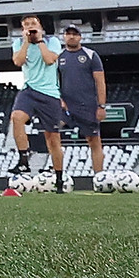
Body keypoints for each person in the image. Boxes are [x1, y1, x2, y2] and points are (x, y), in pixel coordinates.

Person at [6, 15, 69, 193]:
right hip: (29, 89)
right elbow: (18, 61)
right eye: (26, 25)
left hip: (49, 93)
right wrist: (27, 41)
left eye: (33, 24)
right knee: (17, 118)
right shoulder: (18, 43)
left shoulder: (52, 41)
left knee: (52, 138)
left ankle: (58, 177)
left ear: (40, 26)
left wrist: (39, 40)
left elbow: (50, 60)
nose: (30, 27)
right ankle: (23, 159)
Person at [54, 24, 107, 185]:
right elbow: (54, 81)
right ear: (63, 36)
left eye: (74, 34)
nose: (71, 37)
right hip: (65, 106)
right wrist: (59, 100)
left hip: (87, 105)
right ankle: (57, 176)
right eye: (68, 34)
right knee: (52, 133)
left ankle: (99, 178)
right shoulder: (58, 57)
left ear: (80, 37)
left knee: (94, 141)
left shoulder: (90, 55)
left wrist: (101, 105)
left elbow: (100, 81)